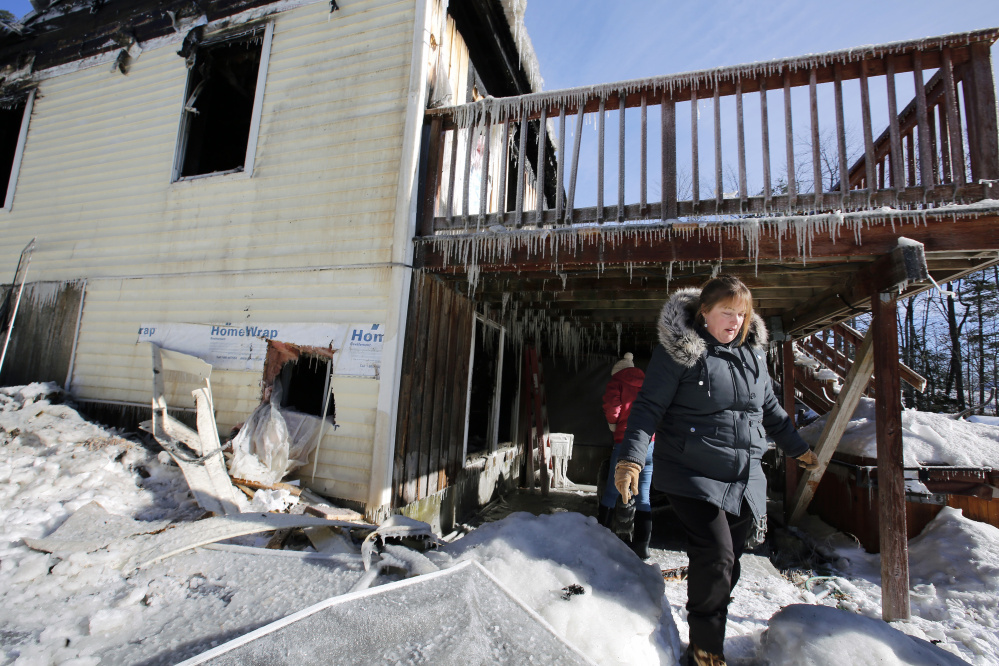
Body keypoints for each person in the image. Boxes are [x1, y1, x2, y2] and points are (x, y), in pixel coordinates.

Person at [614, 276, 818, 666]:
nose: (735, 322)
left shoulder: (753, 357)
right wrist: (631, 460)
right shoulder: (680, 354)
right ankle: (705, 649)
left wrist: (799, 449)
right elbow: (647, 409)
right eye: (727, 312)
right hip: (692, 472)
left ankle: (711, 633)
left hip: (744, 477)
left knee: (730, 564)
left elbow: (771, 412)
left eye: (742, 314)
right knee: (717, 555)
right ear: (704, 312)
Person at [599, 352, 654, 558]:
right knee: (644, 495)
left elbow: (612, 408)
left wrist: (614, 427)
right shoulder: (649, 383)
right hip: (649, 443)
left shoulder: (617, 381)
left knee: (612, 491)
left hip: (625, 443)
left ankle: (599, 535)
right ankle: (642, 546)